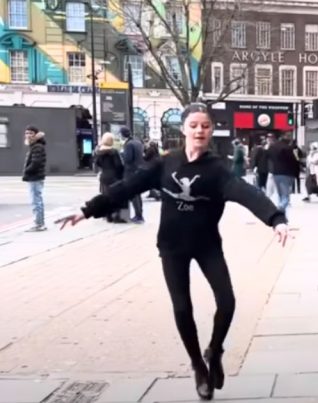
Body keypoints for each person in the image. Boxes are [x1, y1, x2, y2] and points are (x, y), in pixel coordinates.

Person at [57, 103, 291, 400]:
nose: (199, 131)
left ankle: (214, 351)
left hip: (207, 245)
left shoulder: (217, 170)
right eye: (193, 125)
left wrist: (276, 219)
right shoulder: (166, 164)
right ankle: (197, 365)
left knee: (228, 302)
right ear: (183, 129)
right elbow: (128, 186)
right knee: (182, 308)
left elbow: (249, 194)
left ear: (210, 130)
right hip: (172, 247)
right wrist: (87, 210)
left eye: (205, 126)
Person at [94, 133, 128, 223]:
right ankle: (119, 217)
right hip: (114, 176)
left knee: (106, 196)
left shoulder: (98, 151)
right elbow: (118, 165)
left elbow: (97, 163)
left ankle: (108, 216)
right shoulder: (114, 152)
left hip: (104, 176)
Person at [21, 126, 47, 232]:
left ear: (36, 134)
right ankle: (39, 223)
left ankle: (39, 224)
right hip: (34, 176)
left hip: (35, 177)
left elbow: (36, 163)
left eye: (31, 133)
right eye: (26, 133)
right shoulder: (34, 146)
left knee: (36, 201)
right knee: (36, 200)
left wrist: (26, 171)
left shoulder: (37, 147)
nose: (28, 135)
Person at [119, 127, 145, 223]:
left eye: (120, 134)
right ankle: (140, 214)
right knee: (137, 194)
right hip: (139, 170)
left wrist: (122, 154)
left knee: (133, 195)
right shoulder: (137, 142)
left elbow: (128, 159)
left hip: (131, 172)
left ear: (123, 134)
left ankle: (139, 216)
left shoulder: (128, 144)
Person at [266, 133, 297, 211]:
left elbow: (267, 157)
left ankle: (281, 214)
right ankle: (281, 206)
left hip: (276, 173)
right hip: (287, 173)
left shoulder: (272, 148)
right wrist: (296, 173)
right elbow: (294, 161)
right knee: (286, 195)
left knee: (280, 194)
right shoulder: (288, 148)